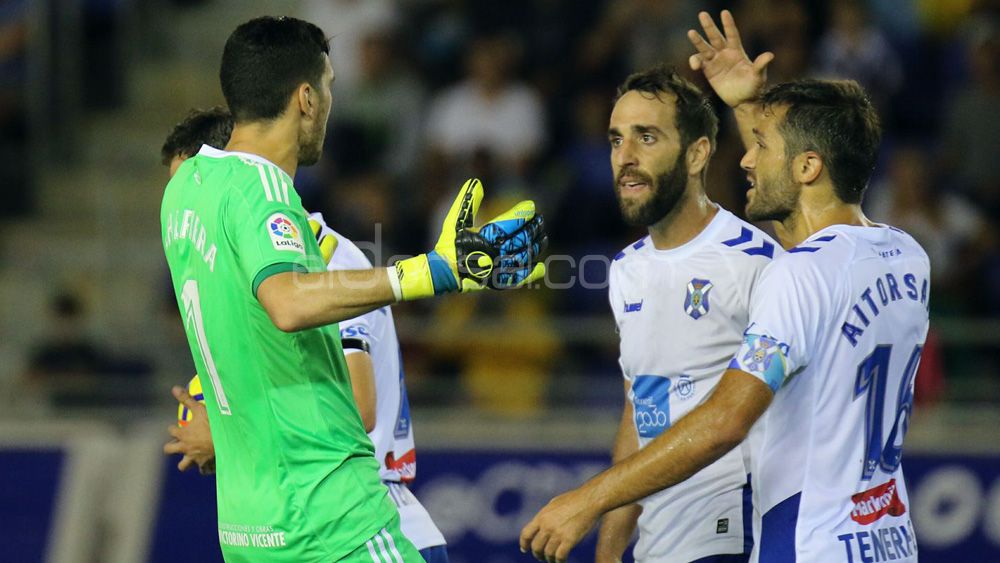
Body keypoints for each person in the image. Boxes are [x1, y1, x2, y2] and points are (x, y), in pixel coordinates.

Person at [521, 11, 929, 563]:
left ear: (807, 167)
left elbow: (726, 420)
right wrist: (748, 104)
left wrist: (587, 499)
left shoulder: (791, 273)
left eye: (762, 146)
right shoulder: (905, 255)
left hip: (808, 541)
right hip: (886, 539)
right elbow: (812, 230)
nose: (746, 159)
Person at [161, 16, 546, 563]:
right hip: (333, 516)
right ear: (306, 98)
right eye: (329, 85)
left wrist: (224, 425)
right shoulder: (269, 194)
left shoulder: (184, 192)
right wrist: (433, 272)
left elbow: (255, 346)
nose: (330, 100)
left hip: (249, 525)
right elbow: (288, 304)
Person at [161, 107, 450, 562]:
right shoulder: (249, 273)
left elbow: (358, 405)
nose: (185, 203)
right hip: (306, 517)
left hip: (365, 521)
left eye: (191, 181)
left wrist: (228, 437)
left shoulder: (323, 256)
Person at [592, 65, 779, 563]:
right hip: (658, 541)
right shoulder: (625, 270)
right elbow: (639, 408)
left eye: (646, 137)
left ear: (697, 154)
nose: (625, 158)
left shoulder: (755, 262)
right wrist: (609, 550)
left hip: (734, 531)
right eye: (616, 140)